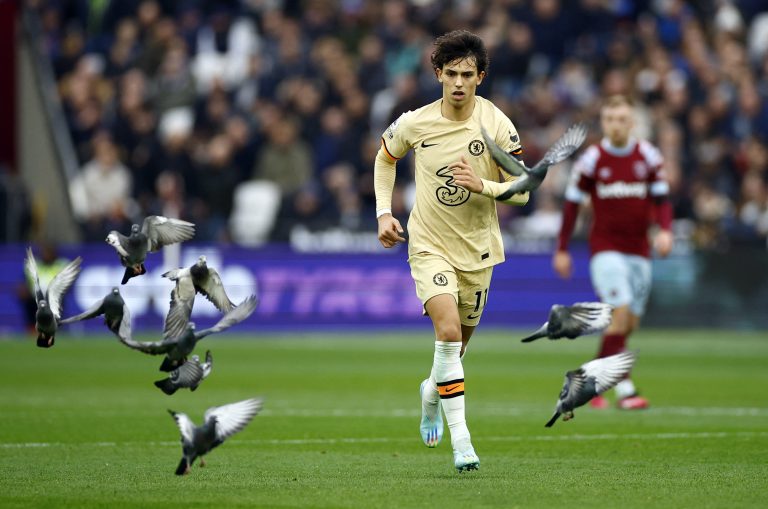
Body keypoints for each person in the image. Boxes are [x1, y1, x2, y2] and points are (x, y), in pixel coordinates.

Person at [374, 30, 529, 472]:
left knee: (455, 352)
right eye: (451, 74)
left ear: (480, 77)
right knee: (446, 334)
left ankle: (430, 392)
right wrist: (384, 213)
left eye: (467, 74)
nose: (458, 82)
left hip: (479, 252)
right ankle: (462, 442)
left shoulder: (497, 125)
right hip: (428, 246)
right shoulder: (415, 122)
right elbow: (385, 158)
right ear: (438, 74)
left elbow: (523, 192)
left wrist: (485, 186)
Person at [553, 94, 674, 410]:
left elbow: (662, 200)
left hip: (639, 252)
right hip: (606, 250)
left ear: (631, 123)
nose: (615, 125)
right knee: (619, 315)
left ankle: (587, 380)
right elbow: (571, 205)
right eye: (609, 119)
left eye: (621, 119)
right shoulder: (592, 160)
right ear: (603, 122)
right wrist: (562, 247)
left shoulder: (647, 156)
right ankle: (626, 391)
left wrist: (664, 230)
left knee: (627, 325)